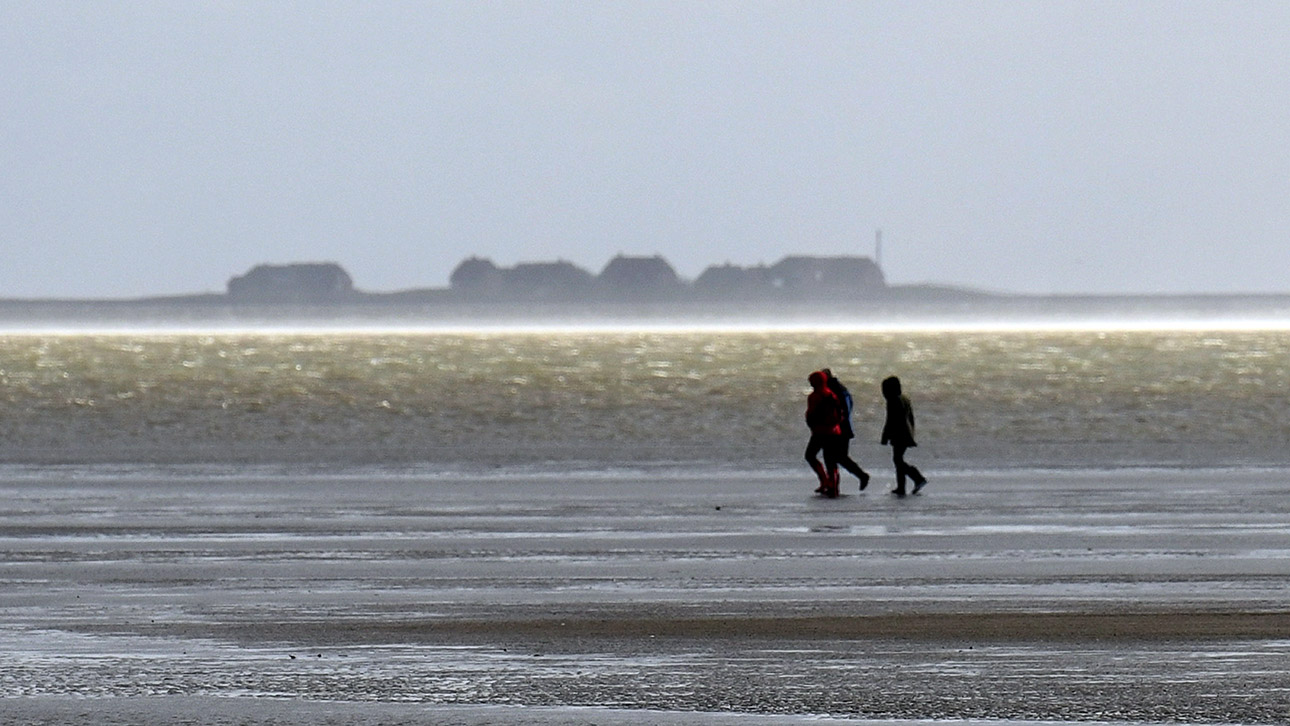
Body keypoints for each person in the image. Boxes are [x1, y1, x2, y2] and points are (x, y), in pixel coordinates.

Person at [821, 369, 871, 491]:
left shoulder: (833, 391)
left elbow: (838, 411)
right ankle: (836, 483)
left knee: (834, 457)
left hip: (839, 428)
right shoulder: (842, 389)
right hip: (845, 427)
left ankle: (859, 476)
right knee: (837, 457)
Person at [880, 375, 927, 496]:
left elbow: (890, 420)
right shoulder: (904, 398)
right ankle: (902, 486)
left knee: (897, 459)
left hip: (899, 434)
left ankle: (916, 478)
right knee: (898, 459)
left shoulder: (893, 400)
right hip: (906, 433)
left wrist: (885, 436)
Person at [804, 370, 844, 497]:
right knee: (830, 461)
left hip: (820, 432)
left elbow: (811, 415)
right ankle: (833, 485)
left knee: (810, 456)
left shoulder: (814, 397)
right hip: (834, 431)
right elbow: (840, 414)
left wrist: (812, 425)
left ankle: (824, 481)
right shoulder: (831, 395)